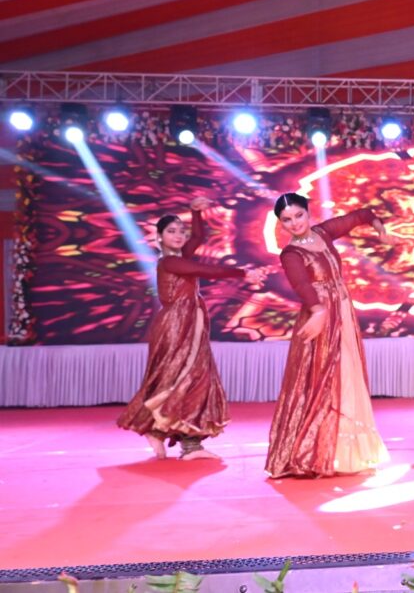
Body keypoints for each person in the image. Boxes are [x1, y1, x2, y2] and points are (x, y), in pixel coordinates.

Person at [118, 197, 266, 460]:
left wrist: (195, 212)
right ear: (159, 237)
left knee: (190, 378)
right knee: (183, 377)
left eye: (181, 231)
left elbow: (198, 237)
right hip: (176, 325)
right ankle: (172, 436)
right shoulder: (169, 262)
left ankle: (176, 437)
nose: (178, 235)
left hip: (189, 321)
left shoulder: (180, 256)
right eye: (171, 231)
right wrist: (243, 273)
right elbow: (206, 270)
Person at [265, 193, 396, 478]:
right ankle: (317, 452)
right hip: (321, 316)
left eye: (298, 215)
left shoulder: (323, 233)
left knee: (348, 375)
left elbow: (361, 214)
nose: (294, 223)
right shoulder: (291, 254)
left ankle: (346, 454)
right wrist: (317, 311)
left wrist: (380, 229)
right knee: (324, 379)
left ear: (308, 212)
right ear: (281, 223)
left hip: (342, 311)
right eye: (287, 220)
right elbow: (302, 285)